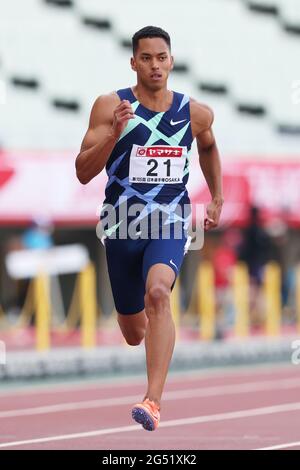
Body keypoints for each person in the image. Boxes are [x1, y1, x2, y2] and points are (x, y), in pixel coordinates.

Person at [76, 26, 223, 431]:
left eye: (162, 58)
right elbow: (82, 172)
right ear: (133, 62)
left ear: (171, 61)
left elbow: (208, 143)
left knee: (159, 292)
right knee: (133, 332)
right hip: (121, 226)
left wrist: (216, 196)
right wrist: (112, 135)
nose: (155, 65)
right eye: (146, 58)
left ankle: (152, 400)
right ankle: (144, 329)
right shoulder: (110, 105)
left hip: (172, 219)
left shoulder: (194, 112)